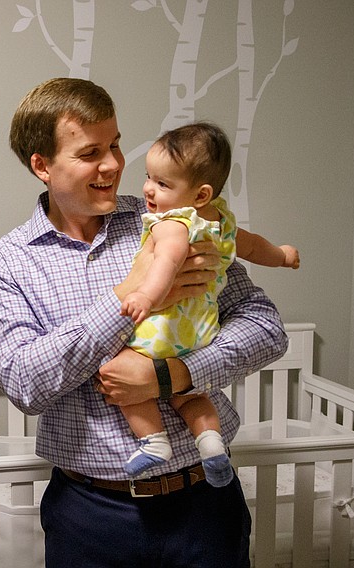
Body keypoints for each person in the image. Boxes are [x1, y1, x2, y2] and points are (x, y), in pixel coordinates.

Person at [0, 78, 288, 567]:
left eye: (116, 145)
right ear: (42, 165)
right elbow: (24, 384)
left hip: (204, 505)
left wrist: (171, 375)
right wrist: (126, 294)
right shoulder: (8, 262)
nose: (113, 165)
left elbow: (265, 327)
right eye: (90, 153)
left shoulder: (172, 218)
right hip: (90, 515)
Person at [119, 122, 300, 484]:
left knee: (124, 378)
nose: (147, 189)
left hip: (163, 328)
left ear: (200, 194)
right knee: (190, 396)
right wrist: (282, 255)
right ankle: (211, 441)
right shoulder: (223, 222)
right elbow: (252, 246)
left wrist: (143, 295)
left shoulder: (171, 223)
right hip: (202, 332)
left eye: (162, 183)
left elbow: (167, 262)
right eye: (149, 177)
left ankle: (154, 442)